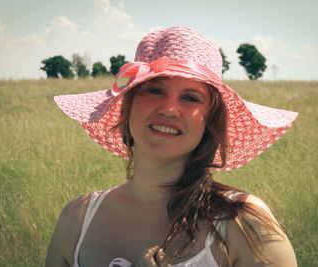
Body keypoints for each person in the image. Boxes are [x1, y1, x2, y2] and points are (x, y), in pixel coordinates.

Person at [46, 26, 298, 267]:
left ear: (210, 119)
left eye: (190, 97)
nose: (168, 109)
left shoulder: (243, 224)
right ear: (127, 106)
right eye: (154, 90)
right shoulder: (77, 219)